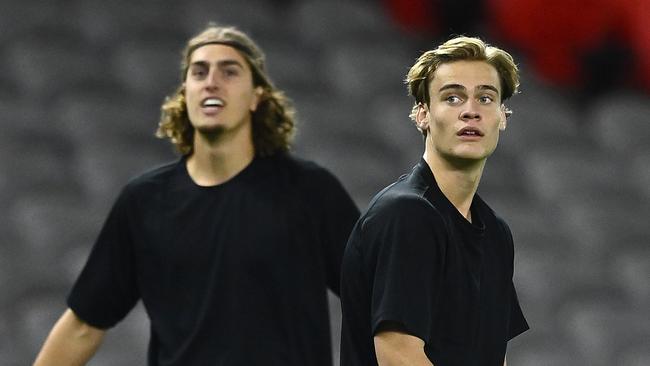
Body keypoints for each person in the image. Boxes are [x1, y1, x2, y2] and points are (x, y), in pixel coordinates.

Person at [34, 24, 360, 366]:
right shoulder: (144, 201)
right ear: (185, 93)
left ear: (256, 97)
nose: (211, 81)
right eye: (199, 72)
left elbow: (379, 302)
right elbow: (83, 326)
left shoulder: (310, 191)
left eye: (230, 71)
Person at [339, 36, 529, 366]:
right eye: (452, 98)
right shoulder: (406, 214)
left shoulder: (496, 233)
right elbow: (398, 354)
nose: (471, 111)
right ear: (422, 115)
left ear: (502, 117)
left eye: (485, 98)